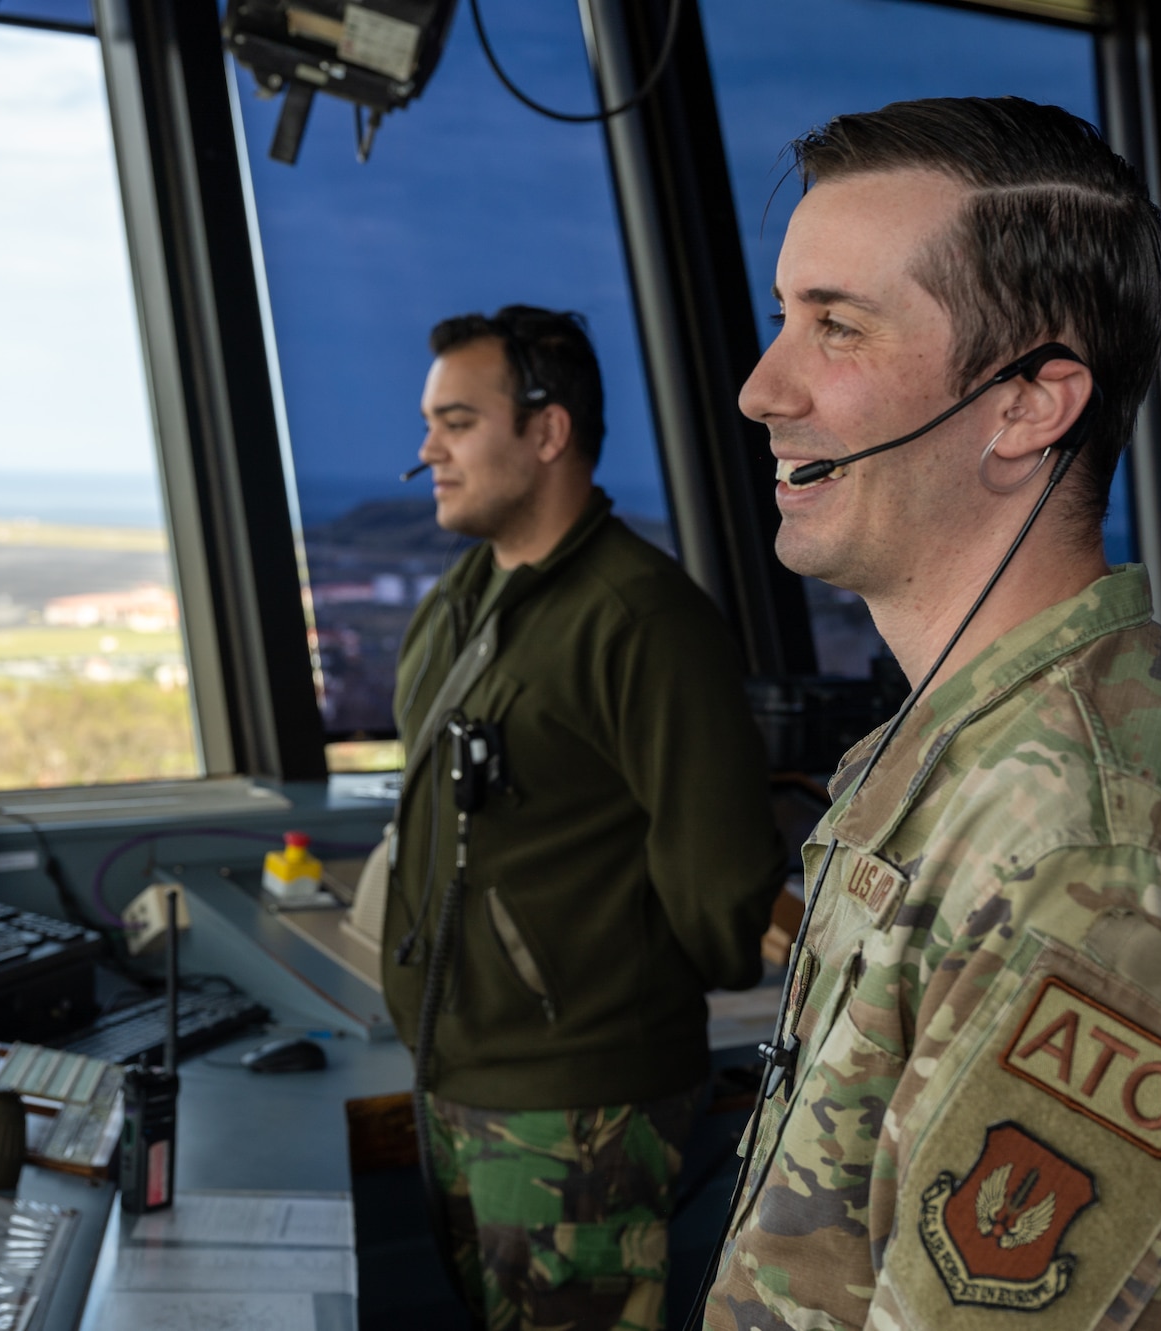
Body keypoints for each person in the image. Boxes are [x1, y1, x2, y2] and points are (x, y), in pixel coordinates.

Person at [702, 98, 1161, 1331]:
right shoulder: (966, 755)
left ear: (1029, 404)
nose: (763, 387)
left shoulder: (1092, 860)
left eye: (837, 328)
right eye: (781, 316)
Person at [384, 305, 787, 1331]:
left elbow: (717, 881)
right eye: (431, 421)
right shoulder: (459, 600)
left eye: (457, 420)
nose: (427, 448)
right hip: (457, 1071)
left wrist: (609, 986)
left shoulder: (641, 620)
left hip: (579, 1100)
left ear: (546, 431)